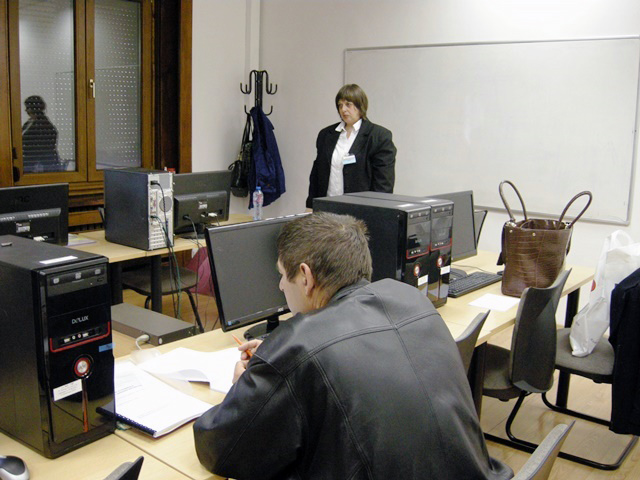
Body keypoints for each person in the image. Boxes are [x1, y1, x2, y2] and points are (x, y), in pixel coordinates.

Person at [193, 212, 513, 480]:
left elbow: (218, 448)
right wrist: (276, 361)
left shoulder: (299, 343)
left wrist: (245, 386)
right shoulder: (410, 297)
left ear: (305, 276)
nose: (279, 285)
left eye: (281, 275)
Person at [305, 84, 396, 209]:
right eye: (340, 105)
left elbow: (384, 184)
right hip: (327, 207)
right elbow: (316, 174)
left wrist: (377, 212)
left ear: (360, 106)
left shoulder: (379, 136)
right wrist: (310, 205)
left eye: (348, 104)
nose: (343, 109)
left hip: (361, 210)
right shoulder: (326, 134)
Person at [21, 95, 60, 172]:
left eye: (27, 108)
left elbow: (41, 147)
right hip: (30, 162)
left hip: (39, 165)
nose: (26, 110)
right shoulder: (29, 123)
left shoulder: (43, 125)